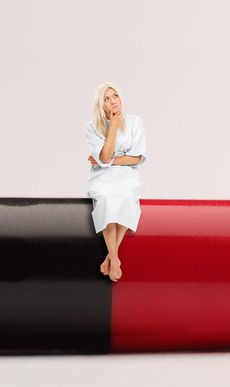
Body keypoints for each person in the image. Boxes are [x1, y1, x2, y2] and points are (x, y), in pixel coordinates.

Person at [85, 82, 147, 283]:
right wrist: (113, 127)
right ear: (101, 105)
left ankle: (110, 256)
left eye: (115, 96)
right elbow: (104, 155)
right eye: (107, 98)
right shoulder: (93, 127)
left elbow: (136, 158)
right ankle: (115, 259)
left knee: (127, 197)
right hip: (102, 177)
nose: (113, 101)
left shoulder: (136, 122)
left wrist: (108, 161)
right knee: (104, 198)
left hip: (126, 174)